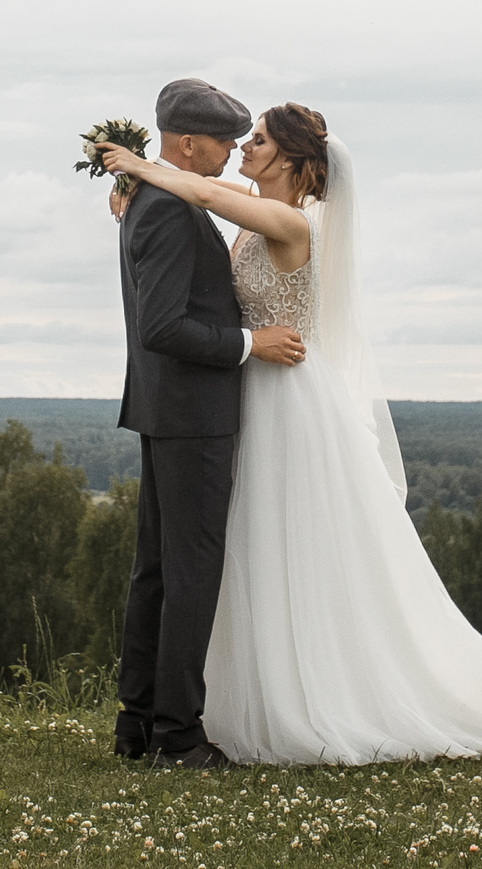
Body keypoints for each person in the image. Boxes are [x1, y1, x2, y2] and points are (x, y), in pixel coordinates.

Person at [100, 102, 482, 765]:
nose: (243, 147)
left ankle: (306, 691)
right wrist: (137, 188)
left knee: (288, 547)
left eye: (256, 140)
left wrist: (137, 164)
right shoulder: (256, 204)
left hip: (286, 395)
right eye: (241, 137)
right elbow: (203, 190)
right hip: (248, 387)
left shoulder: (289, 221)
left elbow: (199, 188)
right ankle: (200, 709)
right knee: (239, 550)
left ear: (290, 159)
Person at [111, 78, 307, 770]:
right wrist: (252, 346)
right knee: (189, 576)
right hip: (193, 413)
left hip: (169, 410)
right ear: (188, 142)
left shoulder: (150, 200)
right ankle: (177, 736)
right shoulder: (165, 206)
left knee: (159, 574)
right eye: (224, 140)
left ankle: (137, 725)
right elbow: (166, 325)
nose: (231, 151)